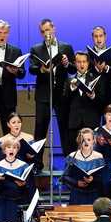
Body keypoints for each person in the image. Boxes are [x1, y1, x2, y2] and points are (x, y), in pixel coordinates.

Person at [29, 18, 74, 153]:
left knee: (65, 128)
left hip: (62, 94)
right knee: (40, 128)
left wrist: (66, 64)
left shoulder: (66, 47)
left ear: (54, 29)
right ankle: (37, 163)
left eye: (48, 30)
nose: (46, 33)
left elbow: (73, 69)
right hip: (43, 94)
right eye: (43, 31)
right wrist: (42, 69)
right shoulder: (36, 49)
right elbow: (31, 68)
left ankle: (68, 161)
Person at [65, 128, 108, 205]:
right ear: (79, 141)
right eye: (83, 140)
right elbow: (65, 177)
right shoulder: (72, 156)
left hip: (94, 195)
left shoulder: (99, 157)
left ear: (93, 141)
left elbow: (103, 178)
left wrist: (93, 179)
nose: (86, 142)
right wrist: (76, 183)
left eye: (88, 139)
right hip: (77, 195)